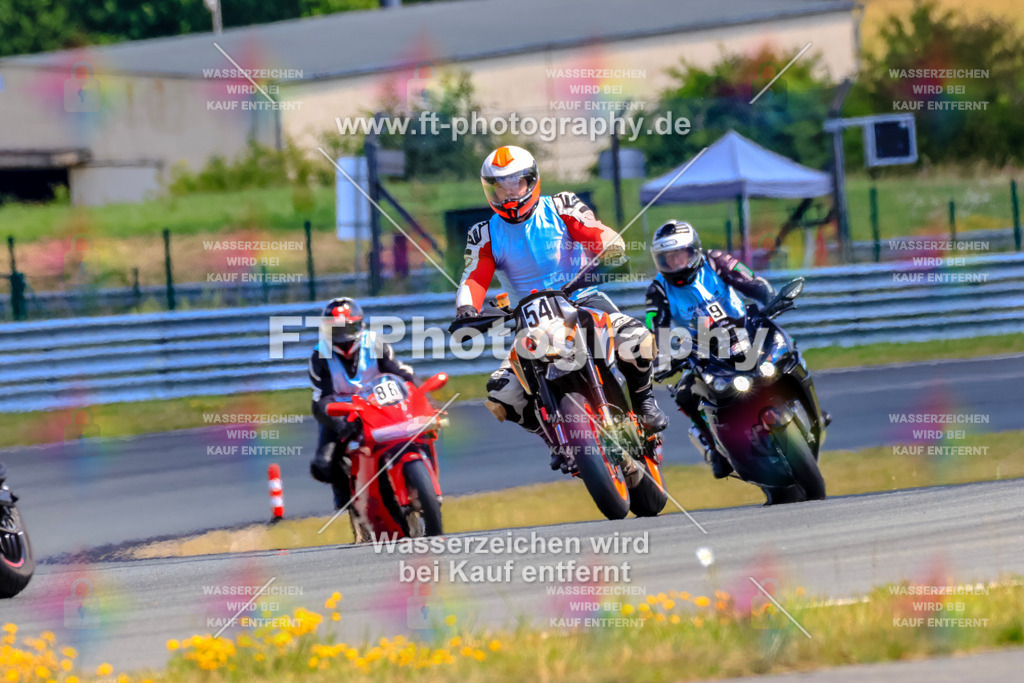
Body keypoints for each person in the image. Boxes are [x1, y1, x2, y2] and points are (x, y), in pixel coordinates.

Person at [455, 145, 667, 470]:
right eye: (501, 186)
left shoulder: (561, 205)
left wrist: (610, 248)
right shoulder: (483, 234)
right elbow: (474, 277)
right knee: (502, 393)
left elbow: (594, 230)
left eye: (516, 184)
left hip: (581, 297)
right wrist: (467, 309)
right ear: (490, 189)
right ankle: (556, 440)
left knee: (636, 338)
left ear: (532, 181)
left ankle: (644, 403)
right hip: (530, 318)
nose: (509, 193)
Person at [644, 220, 775, 479]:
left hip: (744, 330)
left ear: (694, 250)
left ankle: (805, 398)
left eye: (679, 255)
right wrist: (661, 358)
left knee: (781, 348)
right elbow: (655, 325)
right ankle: (714, 447)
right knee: (684, 394)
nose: (675, 264)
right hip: (703, 350)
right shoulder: (658, 289)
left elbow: (748, 280)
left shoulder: (715, 261)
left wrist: (768, 297)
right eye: (667, 259)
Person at [308, 297, 416, 508]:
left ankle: (412, 480)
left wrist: (419, 394)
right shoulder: (319, 355)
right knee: (323, 464)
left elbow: (397, 372)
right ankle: (345, 497)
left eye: (346, 328)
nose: (342, 336)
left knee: (411, 431)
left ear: (359, 325)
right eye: (335, 330)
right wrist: (340, 424)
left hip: (379, 404)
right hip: (342, 412)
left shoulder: (374, 343)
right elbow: (321, 401)